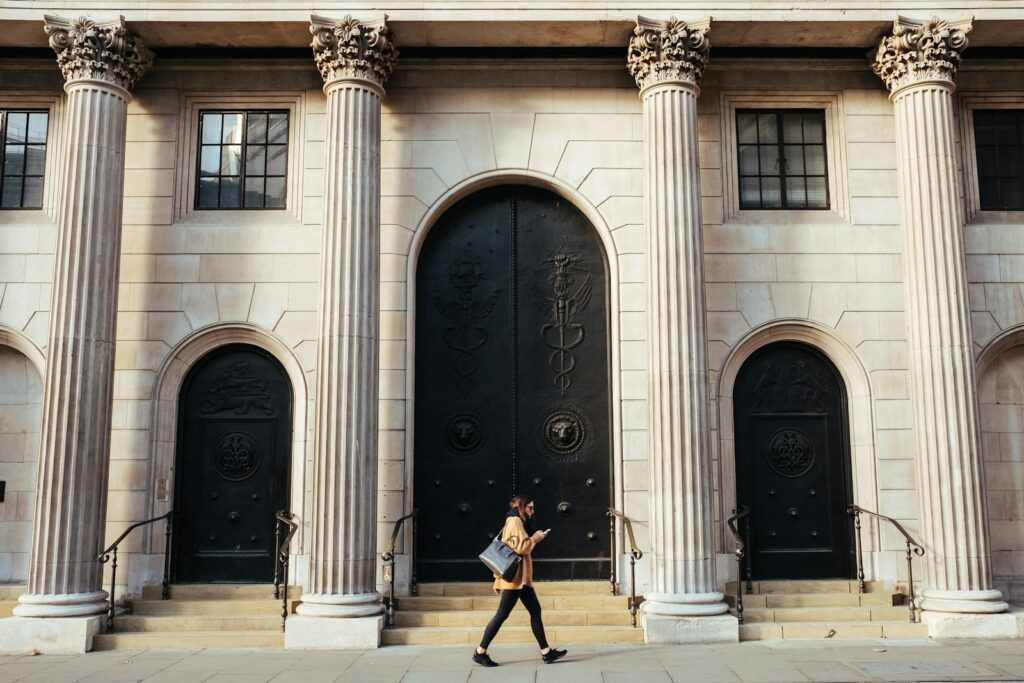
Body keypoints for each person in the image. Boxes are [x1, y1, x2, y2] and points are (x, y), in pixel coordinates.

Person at [472, 495, 568, 667]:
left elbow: (504, 549)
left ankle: (546, 652)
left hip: (520, 579)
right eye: (529, 508)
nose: (532, 511)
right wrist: (536, 538)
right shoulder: (515, 521)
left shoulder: (514, 521)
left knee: (535, 610)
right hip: (515, 580)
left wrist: (497, 579)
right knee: (502, 615)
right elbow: (521, 548)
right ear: (520, 507)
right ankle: (480, 651)